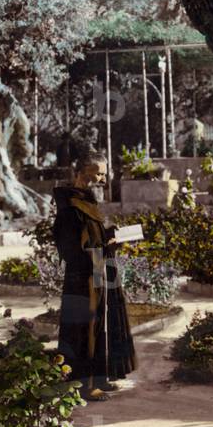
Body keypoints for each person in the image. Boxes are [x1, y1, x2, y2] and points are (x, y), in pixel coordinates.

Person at [52, 151, 136, 402]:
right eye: (97, 172)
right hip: (82, 277)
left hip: (98, 270)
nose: (101, 177)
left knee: (101, 325)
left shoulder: (86, 201)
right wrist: (103, 248)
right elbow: (71, 249)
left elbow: (92, 236)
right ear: (80, 172)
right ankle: (84, 385)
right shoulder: (69, 205)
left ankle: (100, 378)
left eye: (103, 172)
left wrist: (110, 235)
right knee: (84, 329)